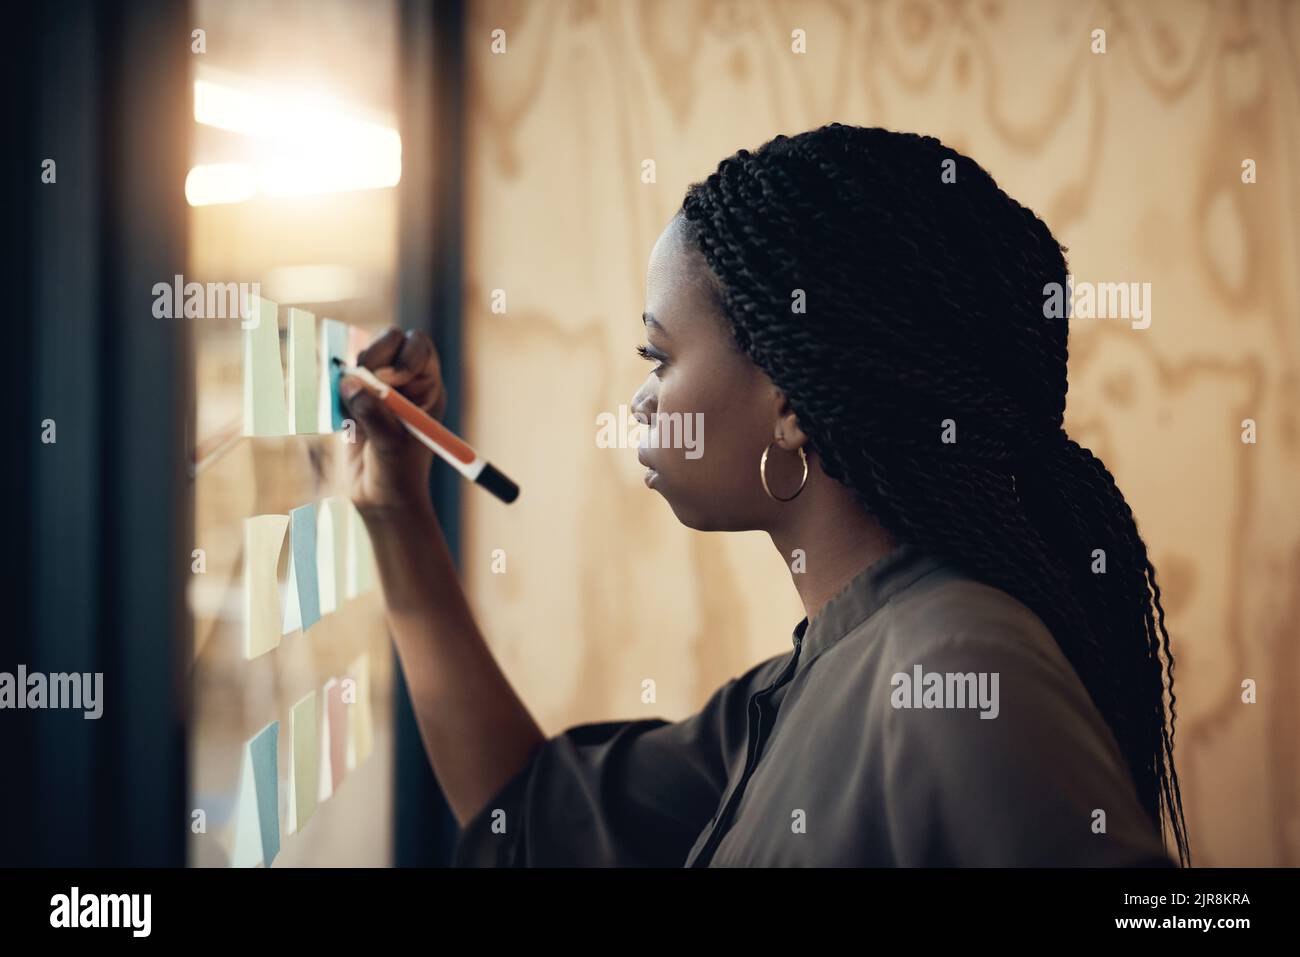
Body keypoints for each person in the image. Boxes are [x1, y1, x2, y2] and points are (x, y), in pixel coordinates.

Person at [340, 123, 1189, 867]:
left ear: (787, 397)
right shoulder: (814, 675)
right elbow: (525, 821)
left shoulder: (952, 661)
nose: (641, 400)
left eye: (659, 358)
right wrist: (397, 509)